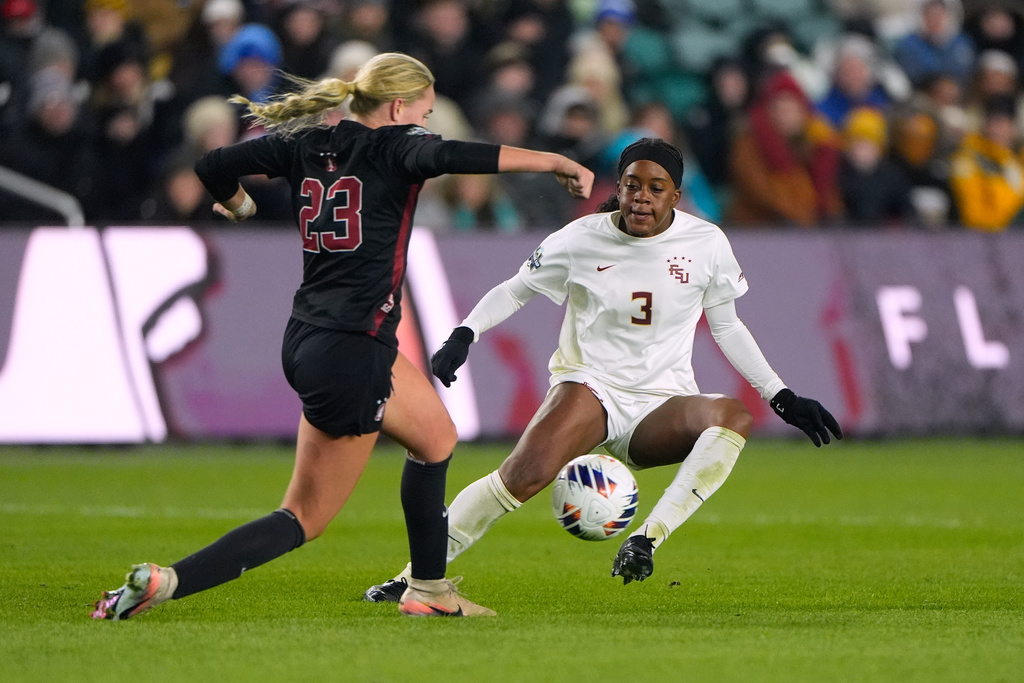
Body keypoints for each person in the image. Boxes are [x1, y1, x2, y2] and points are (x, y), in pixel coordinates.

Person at [91, 51, 593, 620]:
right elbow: (458, 155)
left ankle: (428, 590)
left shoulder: (307, 143)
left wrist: (238, 203)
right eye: (424, 113)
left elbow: (213, 163)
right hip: (353, 349)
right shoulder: (396, 147)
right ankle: (167, 581)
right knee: (304, 517)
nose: (425, 125)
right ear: (399, 106)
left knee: (435, 438)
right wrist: (553, 159)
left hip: (314, 336)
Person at [364, 137, 842, 601]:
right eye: (633, 185)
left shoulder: (706, 242)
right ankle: (413, 579)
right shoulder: (581, 238)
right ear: (619, 188)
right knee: (521, 477)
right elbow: (515, 290)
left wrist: (780, 396)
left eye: (656, 189)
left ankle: (646, 539)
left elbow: (728, 327)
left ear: (676, 196)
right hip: (590, 385)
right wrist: (464, 334)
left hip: (661, 403)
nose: (642, 198)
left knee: (733, 415)